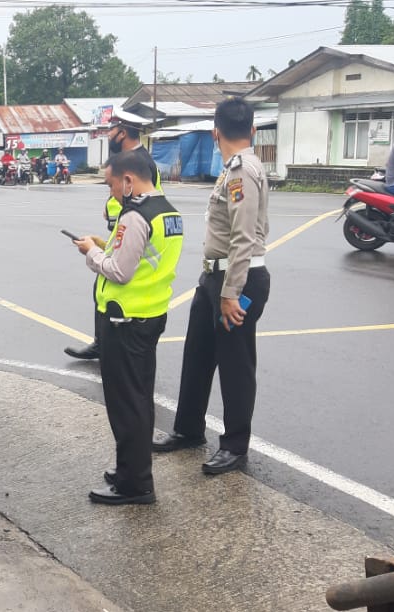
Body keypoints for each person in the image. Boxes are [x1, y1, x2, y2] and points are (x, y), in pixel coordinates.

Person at [155, 97, 270, 475]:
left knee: (235, 365)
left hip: (236, 279)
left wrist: (229, 293)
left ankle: (235, 447)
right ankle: (188, 430)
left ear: (216, 132)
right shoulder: (232, 168)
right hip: (215, 276)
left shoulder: (241, 171)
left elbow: (242, 238)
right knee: (198, 354)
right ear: (252, 130)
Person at [73, 150, 183, 505]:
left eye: (111, 185)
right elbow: (145, 258)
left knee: (126, 405)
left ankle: (134, 484)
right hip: (148, 316)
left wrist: (92, 252)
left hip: (124, 320)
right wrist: (107, 245)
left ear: (128, 180)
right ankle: (131, 469)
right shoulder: (168, 212)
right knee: (139, 400)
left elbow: (119, 271)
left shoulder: (135, 216)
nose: (112, 193)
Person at [65, 110, 161, 360]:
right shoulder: (130, 158)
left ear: (123, 132)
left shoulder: (141, 162)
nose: (109, 135)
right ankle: (102, 341)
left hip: (135, 233)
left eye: (112, 130)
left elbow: (147, 201)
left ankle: (105, 342)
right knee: (101, 286)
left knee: (110, 281)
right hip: (124, 229)